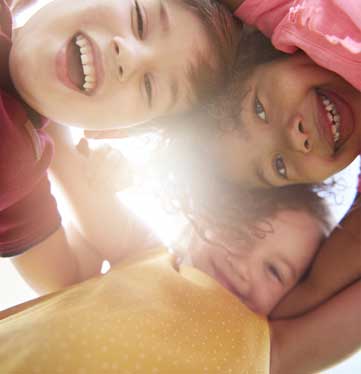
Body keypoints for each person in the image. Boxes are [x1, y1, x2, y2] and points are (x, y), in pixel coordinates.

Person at [0, 0, 241, 268]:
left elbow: (75, 273)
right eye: (139, 20)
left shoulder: (18, 161)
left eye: (149, 88)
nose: (130, 57)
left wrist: (86, 177)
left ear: (112, 131)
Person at [0, 186, 330, 373]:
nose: (244, 267)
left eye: (274, 271)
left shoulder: (270, 348)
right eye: (239, 234)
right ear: (207, 217)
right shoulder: (145, 250)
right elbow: (73, 171)